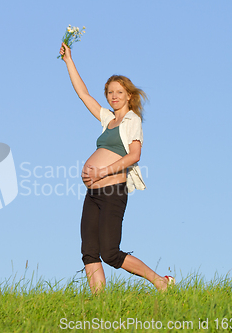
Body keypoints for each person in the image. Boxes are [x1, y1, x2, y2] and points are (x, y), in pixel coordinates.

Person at [59, 42, 174, 294]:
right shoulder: (108, 119)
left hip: (113, 192)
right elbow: (83, 94)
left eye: (119, 92)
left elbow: (134, 155)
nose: (114, 96)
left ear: (128, 96)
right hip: (93, 195)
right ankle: (100, 304)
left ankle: (160, 282)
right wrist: (69, 60)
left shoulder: (133, 120)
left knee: (110, 253)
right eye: (110, 92)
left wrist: (101, 171)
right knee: (89, 251)